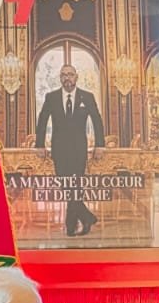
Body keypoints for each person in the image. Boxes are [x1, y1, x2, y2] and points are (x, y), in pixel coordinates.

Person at [34, 62, 106, 237]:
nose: (67, 77)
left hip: (79, 149)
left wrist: (100, 145)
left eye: (70, 74)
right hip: (59, 149)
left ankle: (71, 225)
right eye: (64, 74)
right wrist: (40, 145)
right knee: (66, 185)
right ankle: (87, 217)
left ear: (76, 77)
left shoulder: (87, 97)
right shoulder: (51, 97)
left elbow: (97, 120)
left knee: (76, 186)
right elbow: (42, 121)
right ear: (60, 78)